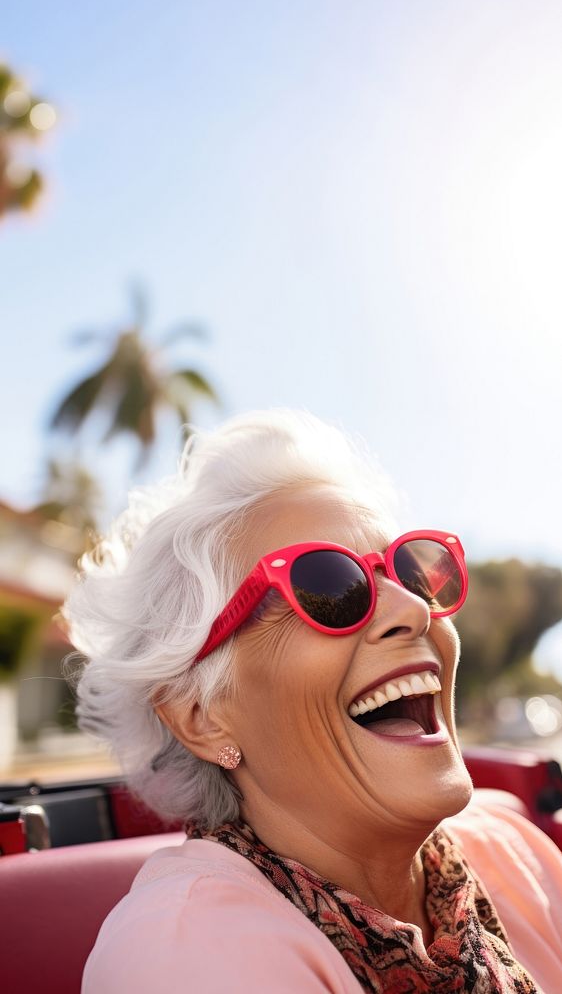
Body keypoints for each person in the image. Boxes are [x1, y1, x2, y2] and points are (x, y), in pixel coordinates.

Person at [62, 409, 562, 993]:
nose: (413, 609)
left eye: (409, 573)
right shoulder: (191, 956)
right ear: (202, 718)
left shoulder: (507, 846)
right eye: (328, 585)